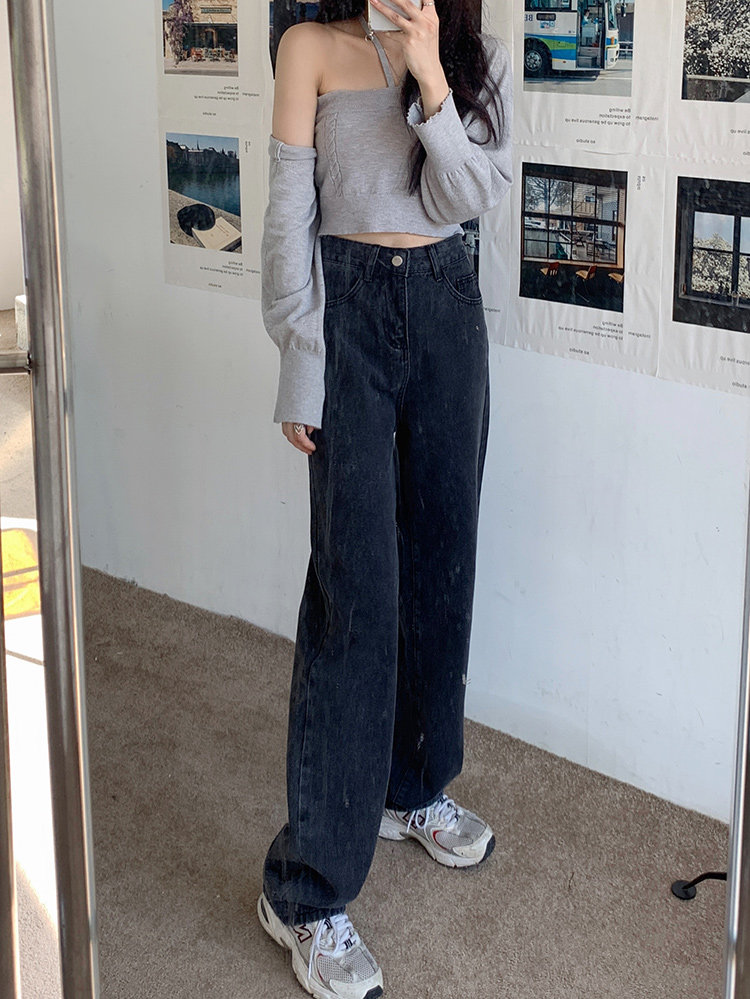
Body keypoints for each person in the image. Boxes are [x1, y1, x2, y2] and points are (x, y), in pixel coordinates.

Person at [257, 2, 512, 996]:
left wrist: (430, 75)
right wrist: (300, 362)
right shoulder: (308, 48)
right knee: (354, 598)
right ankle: (304, 890)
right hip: (348, 317)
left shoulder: (467, 55)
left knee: (443, 574)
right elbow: (287, 216)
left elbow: (466, 198)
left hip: (448, 311)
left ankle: (414, 789)